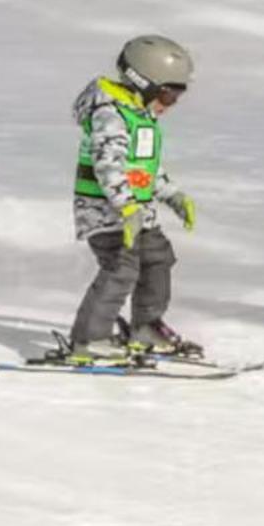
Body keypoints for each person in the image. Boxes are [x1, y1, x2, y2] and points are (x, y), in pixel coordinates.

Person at [66, 35, 200, 363]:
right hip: (104, 212)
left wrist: (172, 195)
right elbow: (108, 167)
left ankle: (146, 326)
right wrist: (126, 206)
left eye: (177, 96)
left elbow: (144, 167)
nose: (171, 104)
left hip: (136, 212)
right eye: (168, 95)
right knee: (121, 268)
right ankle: (89, 339)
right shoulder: (110, 115)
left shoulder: (140, 116)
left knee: (158, 259)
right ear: (144, 83)